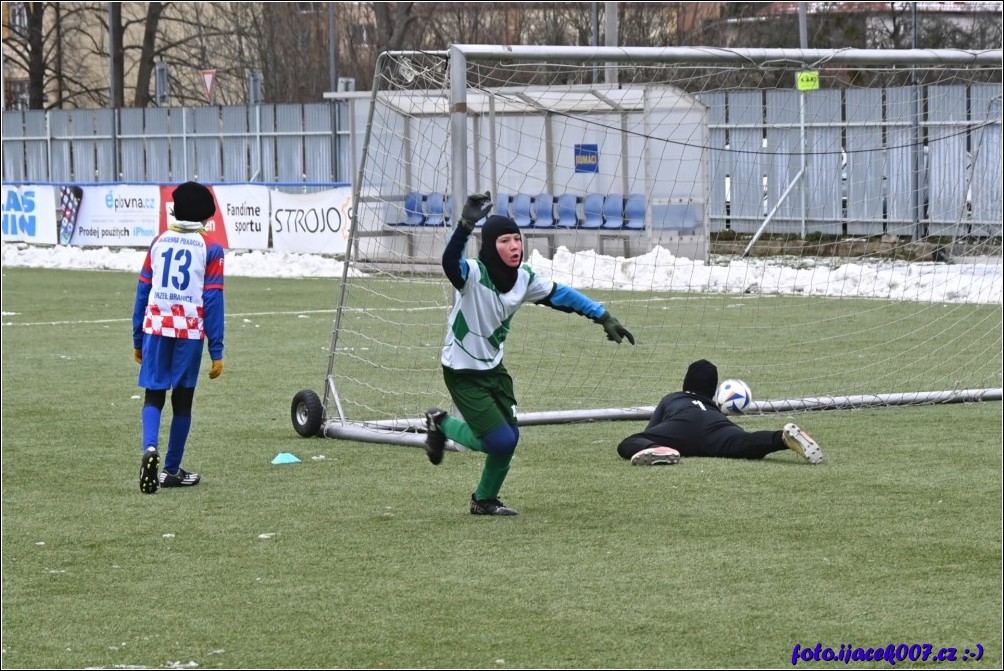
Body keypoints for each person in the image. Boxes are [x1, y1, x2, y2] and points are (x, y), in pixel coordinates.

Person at [425, 192, 636, 516]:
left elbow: (561, 295)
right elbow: (448, 262)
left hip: (493, 369)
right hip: (462, 371)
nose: (514, 247)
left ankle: (484, 499)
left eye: (516, 240)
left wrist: (602, 315)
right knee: (500, 441)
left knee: (510, 436)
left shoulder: (524, 279)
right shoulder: (472, 275)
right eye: (505, 241)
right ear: (490, 245)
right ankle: (440, 423)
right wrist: (466, 225)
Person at [132, 181, 225, 494]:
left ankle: (149, 448)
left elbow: (143, 290)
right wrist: (217, 348)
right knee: (182, 401)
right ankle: (170, 470)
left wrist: (136, 338)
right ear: (204, 218)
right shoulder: (210, 248)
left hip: (155, 327)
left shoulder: (159, 242)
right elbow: (212, 299)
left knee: (153, 394)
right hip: (188, 331)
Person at [616, 359, 824, 466]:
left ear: (685, 382)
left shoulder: (672, 398)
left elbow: (651, 429)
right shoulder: (714, 408)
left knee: (631, 442)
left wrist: (651, 442)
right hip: (716, 427)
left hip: (679, 428)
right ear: (714, 390)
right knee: (745, 442)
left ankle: (659, 451)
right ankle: (781, 438)